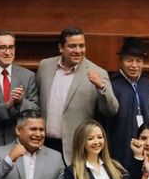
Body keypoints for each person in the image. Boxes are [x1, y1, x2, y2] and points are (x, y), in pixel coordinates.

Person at [35, 27, 118, 163]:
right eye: (72, 46)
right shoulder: (45, 66)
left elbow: (111, 110)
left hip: (76, 149)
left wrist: (101, 87)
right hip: (45, 146)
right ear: (61, 47)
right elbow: (37, 100)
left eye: (82, 46)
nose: (78, 51)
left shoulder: (98, 72)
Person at [104, 37, 149, 166]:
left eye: (139, 61)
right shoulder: (111, 86)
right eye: (129, 60)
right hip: (118, 149)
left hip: (147, 148)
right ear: (120, 62)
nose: (134, 65)